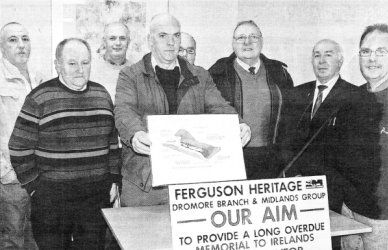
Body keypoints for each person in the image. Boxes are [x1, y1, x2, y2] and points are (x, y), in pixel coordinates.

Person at [115, 13, 251, 207]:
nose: (171, 42)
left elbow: (219, 106)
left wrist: (238, 123)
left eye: (176, 35)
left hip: (191, 183)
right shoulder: (130, 75)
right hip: (144, 182)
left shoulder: (200, 75)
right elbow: (124, 110)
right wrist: (135, 133)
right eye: (163, 36)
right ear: (150, 40)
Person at [9, 38, 121, 250]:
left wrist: (114, 179)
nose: (80, 70)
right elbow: (18, 147)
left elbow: (112, 143)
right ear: (57, 64)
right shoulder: (40, 97)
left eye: (85, 63)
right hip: (52, 201)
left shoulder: (102, 95)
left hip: (95, 200)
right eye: (72, 63)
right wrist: (35, 189)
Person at [209, 20, 294, 180]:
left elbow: (291, 119)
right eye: (241, 38)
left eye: (253, 37)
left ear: (261, 41)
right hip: (231, 160)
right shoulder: (217, 74)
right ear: (233, 43)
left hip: (273, 160)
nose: (247, 42)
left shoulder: (279, 73)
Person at [340, 23, 388, 250]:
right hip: (349, 215)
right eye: (366, 51)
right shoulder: (353, 97)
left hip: (383, 224)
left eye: (381, 51)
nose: (372, 59)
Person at [0, 22, 45, 250]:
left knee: (36, 238)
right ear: (1, 46)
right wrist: (4, 170)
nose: (21, 45)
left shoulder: (39, 77)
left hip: (37, 176)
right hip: (12, 179)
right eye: (13, 40)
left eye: (25, 39)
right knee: (12, 241)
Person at [90, 22, 132, 103]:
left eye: (122, 38)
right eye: (112, 38)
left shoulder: (136, 70)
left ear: (128, 42)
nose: (118, 43)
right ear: (104, 41)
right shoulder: (91, 70)